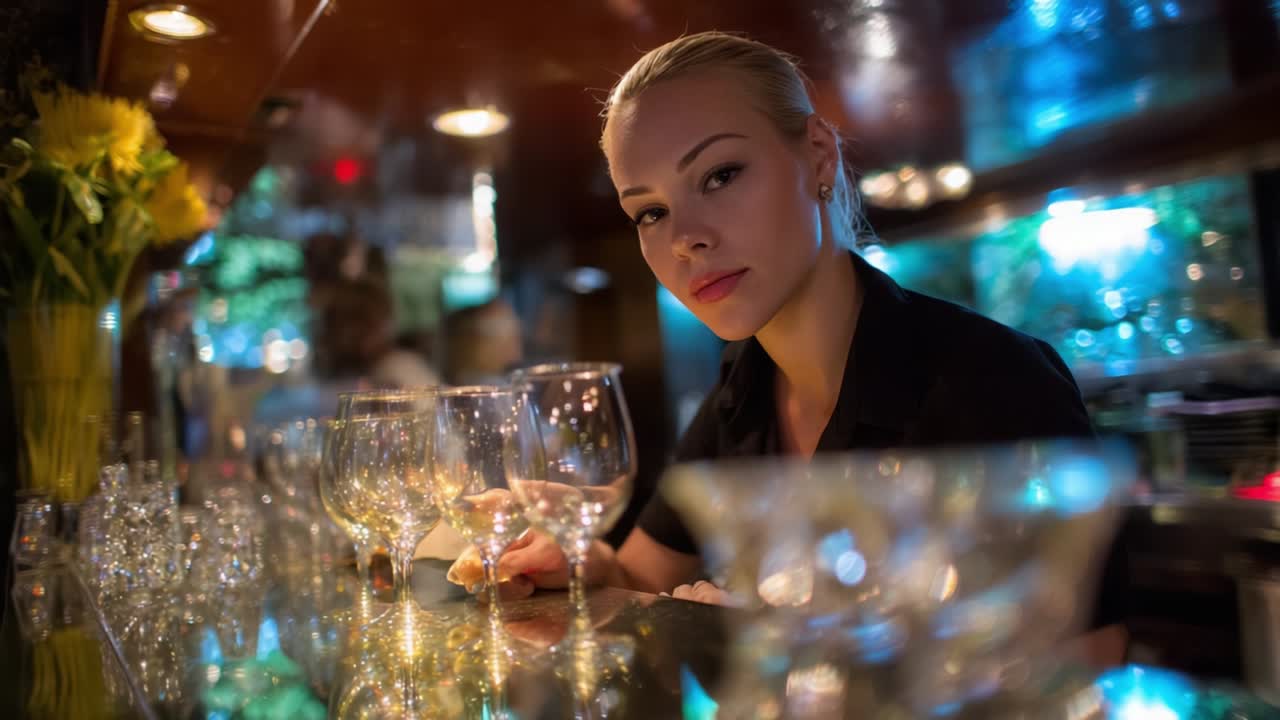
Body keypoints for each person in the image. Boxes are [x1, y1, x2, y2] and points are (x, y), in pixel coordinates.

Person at [452, 31, 1118, 636]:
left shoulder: (992, 380)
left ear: (818, 157)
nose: (686, 239)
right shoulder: (741, 394)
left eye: (720, 175)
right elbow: (641, 580)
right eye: (650, 211)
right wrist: (579, 560)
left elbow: (1087, 668)